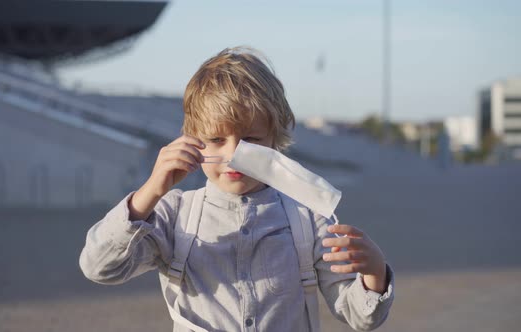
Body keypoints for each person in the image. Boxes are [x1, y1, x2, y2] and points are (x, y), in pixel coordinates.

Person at [79, 46, 394, 331]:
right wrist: (149, 192)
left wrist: (374, 273)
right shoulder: (174, 215)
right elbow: (100, 268)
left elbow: (360, 316)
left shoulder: (308, 220)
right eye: (217, 140)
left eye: (251, 141)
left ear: (275, 142)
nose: (233, 156)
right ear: (192, 139)